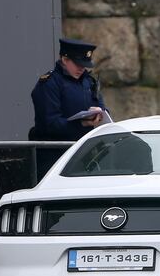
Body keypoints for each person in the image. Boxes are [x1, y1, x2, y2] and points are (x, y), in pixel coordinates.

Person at [31, 38, 108, 179]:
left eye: (84, 65)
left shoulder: (89, 82)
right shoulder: (49, 83)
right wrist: (81, 123)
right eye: (77, 64)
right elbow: (49, 124)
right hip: (55, 158)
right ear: (64, 59)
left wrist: (100, 114)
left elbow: (102, 108)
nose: (82, 68)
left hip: (84, 154)